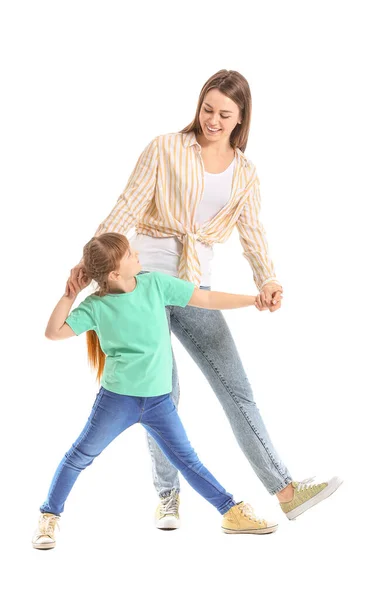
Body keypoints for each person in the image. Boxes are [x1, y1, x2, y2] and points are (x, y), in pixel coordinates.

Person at [66, 69, 342, 531]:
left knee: (237, 391)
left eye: (224, 114)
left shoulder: (246, 173)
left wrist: (268, 279)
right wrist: (93, 259)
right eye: (207, 108)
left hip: (195, 287)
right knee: (161, 396)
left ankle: (287, 492)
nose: (212, 120)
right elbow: (128, 205)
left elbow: (252, 233)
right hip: (143, 283)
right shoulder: (165, 147)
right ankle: (168, 497)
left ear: (241, 119)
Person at [32, 232, 279, 550]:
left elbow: (204, 298)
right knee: (79, 455)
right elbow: (54, 332)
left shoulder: (155, 284)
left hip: (159, 402)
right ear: (113, 274)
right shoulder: (96, 305)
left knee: (188, 461)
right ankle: (49, 516)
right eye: (130, 254)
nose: (138, 255)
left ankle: (231, 513)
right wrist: (70, 293)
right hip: (116, 402)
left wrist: (252, 300)